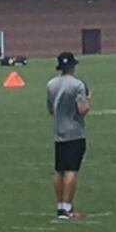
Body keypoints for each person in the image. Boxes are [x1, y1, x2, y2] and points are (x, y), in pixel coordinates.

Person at [46, 52, 91, 220]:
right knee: (72, 170)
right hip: (75, 133)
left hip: (59, 132)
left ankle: (60, 206)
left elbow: (51, 110)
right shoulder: (78, 85)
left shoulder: (51, 84)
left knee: (59, 170)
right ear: (72, 66)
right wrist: (88, 100)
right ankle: (67, 208)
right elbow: (82, 110)